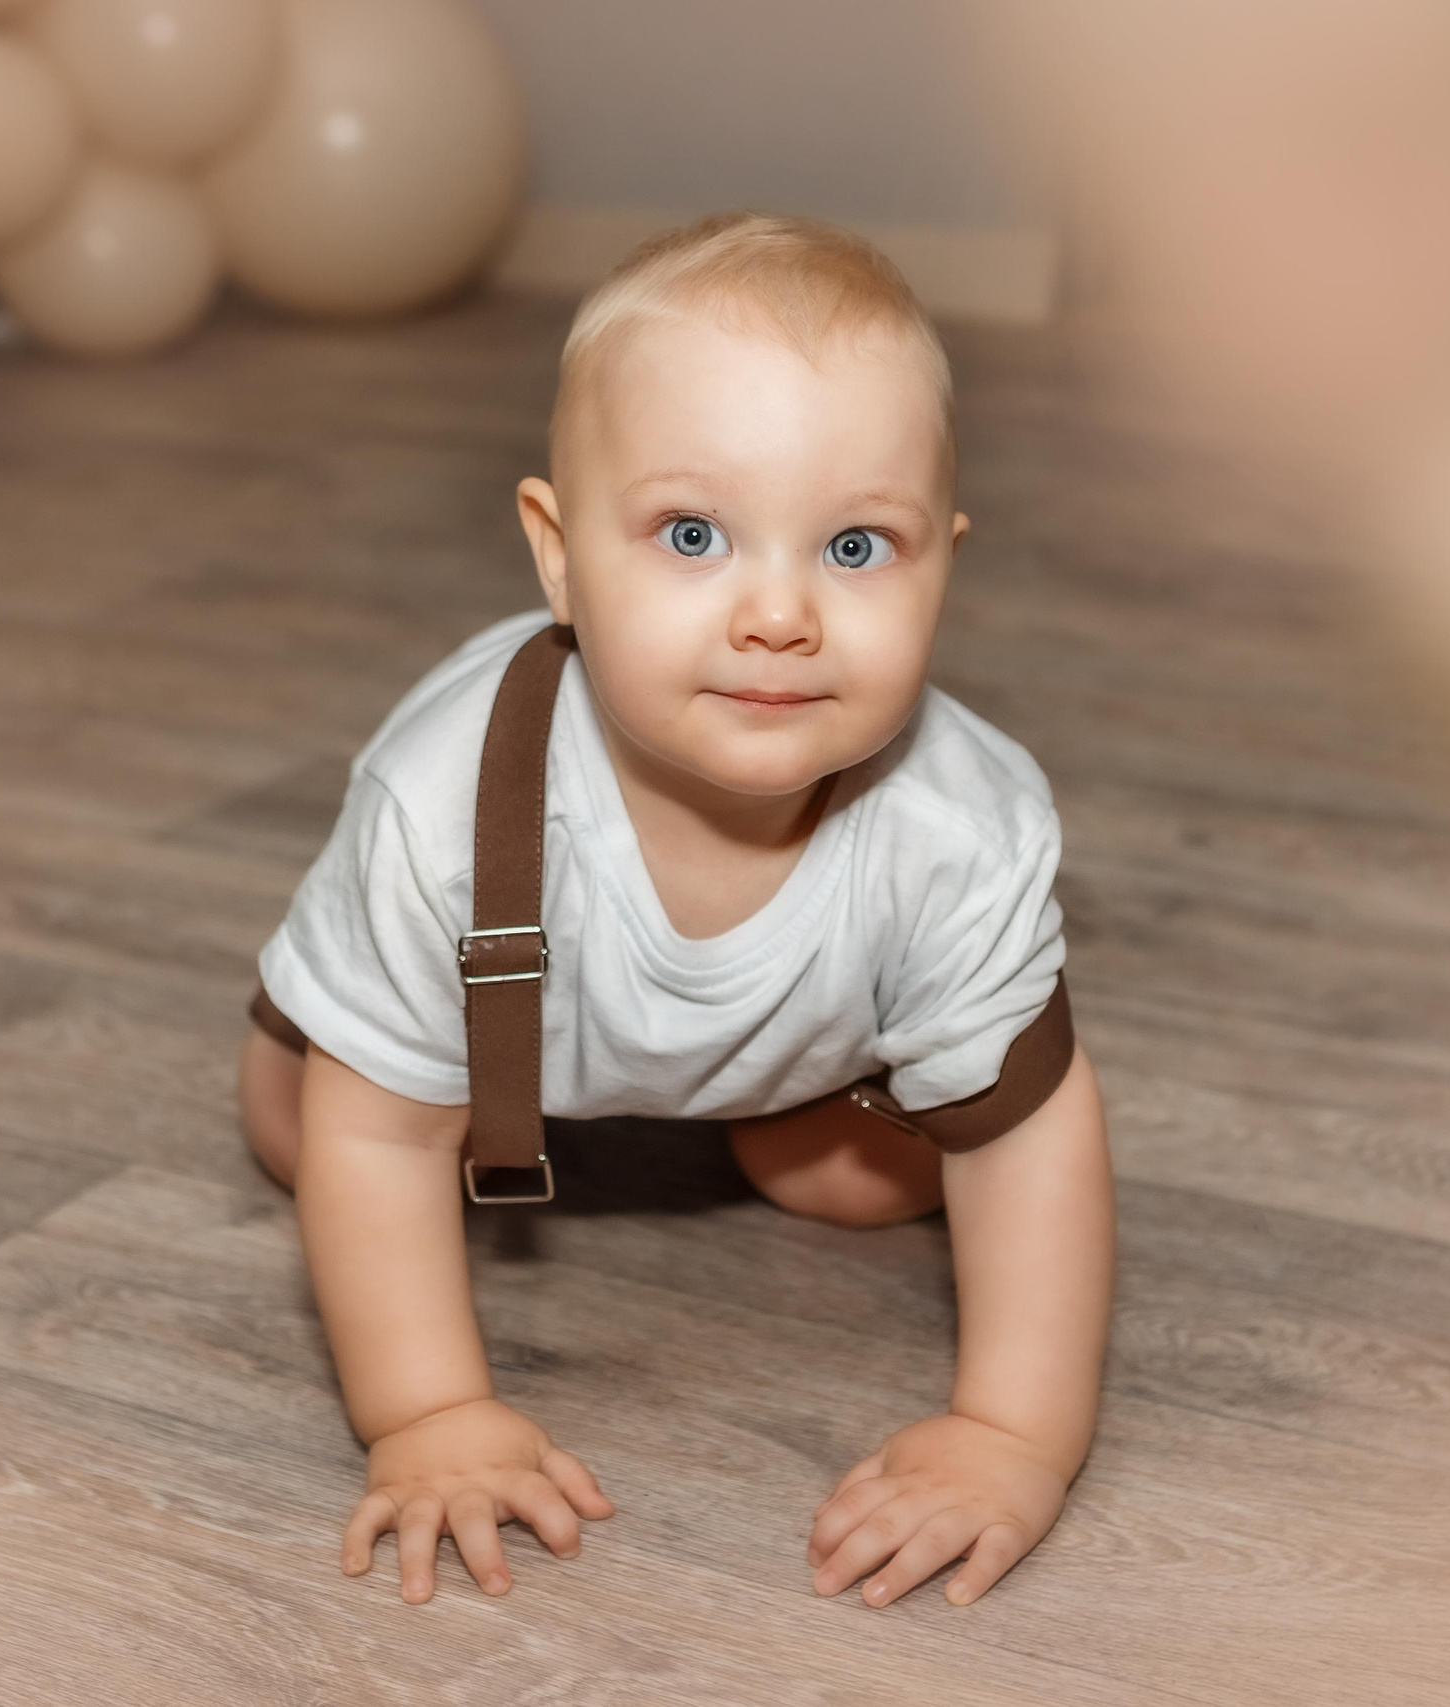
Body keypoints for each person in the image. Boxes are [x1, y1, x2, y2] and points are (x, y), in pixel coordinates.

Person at [239, 212, 1114, 1612]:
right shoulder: (444, 807)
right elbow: (383, 1131)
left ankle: (765, 1103)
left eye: (858, 547)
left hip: (791, 1042)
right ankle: (594, 1097)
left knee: (878, 1179)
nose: (779, 613)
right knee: (312, 1133)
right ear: (559, 552)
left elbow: (1028, 1139)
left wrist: (1014, 1435)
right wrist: (428, 1415)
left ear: (948, 561)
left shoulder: (965, 825)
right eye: (693, 534)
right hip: (490, 1035)